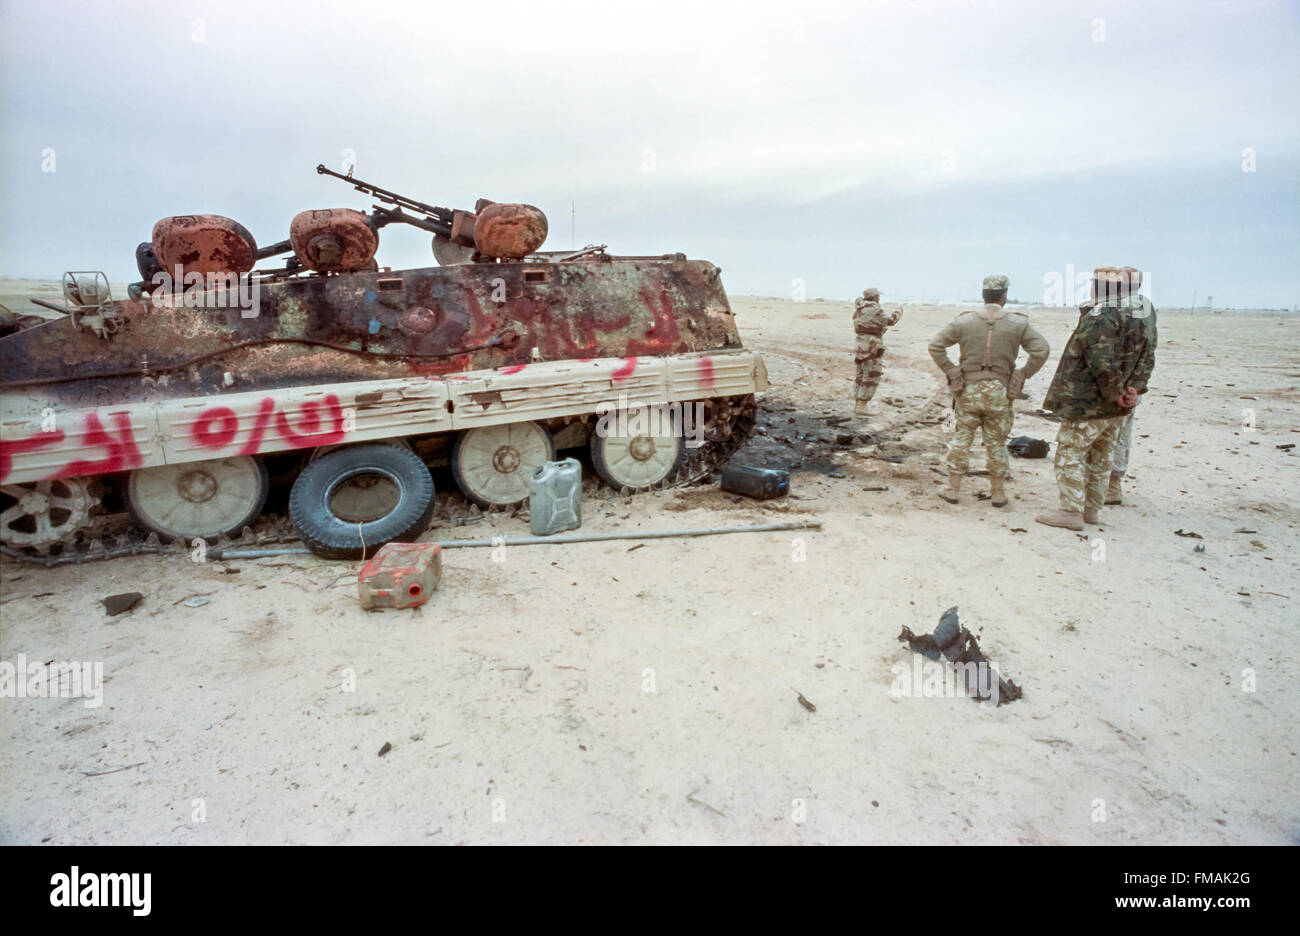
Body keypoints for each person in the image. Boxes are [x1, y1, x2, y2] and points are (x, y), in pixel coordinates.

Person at [1036, 266, 1158, 530]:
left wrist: (1116, 393)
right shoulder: (1143, 313)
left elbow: (1100, 361)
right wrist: (1133, 389)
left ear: (1098, 288)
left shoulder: (1100, 314)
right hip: (1117, 406)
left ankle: (1070, 512)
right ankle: (1091, 511)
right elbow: (1149, 355)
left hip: (1088, 404)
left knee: (1070, 453)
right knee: (1102, 456)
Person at [928, 275, 1050, 506]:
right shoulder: (1018, 323)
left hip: (968, 390)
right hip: (1000, 392)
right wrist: (1022, 374)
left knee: (962, 438)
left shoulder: (964, 321)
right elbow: (1041, 350)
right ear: (1004, 296)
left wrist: (952, 371)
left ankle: (953, 489)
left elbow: (936, 345)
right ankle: (998, 493)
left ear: (983, 295)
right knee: (996, 442)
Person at [1105, 266, 1156, 505]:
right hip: (1131, 385)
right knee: (1122, 435)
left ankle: (1108, 486)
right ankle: (1112, 485)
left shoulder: (1112, 308)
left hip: (1114, 386)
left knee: (1107, 436)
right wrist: (1137, 385)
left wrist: (1120, 386)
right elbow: (1150, 348)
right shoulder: (1145, 306)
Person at [852, 288, 903, 417]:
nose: (879, 299)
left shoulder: (859, 309)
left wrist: (878, 330)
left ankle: (858, 404)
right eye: (878, 296)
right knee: (872, 375)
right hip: (871, 346)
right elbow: (891, 320)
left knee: (861, 375)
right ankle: (862, 406)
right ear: (874, 297)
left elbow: (863, 326)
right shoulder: (874, 309)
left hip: (860, 344)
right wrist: (899, 311)